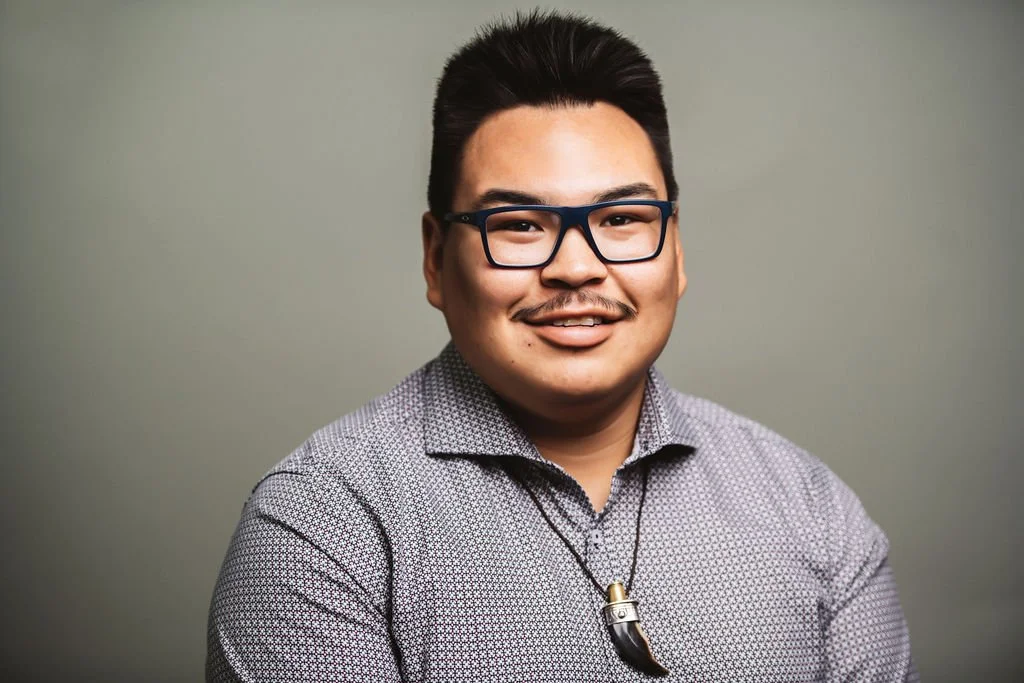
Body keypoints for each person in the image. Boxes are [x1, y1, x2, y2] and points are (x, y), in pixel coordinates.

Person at [207, 11, 916, 682]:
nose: (576, 267)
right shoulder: (320, 525)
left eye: (621, 217)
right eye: (518, 224)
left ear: (675, 249)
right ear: (435, 258)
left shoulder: (813, 511)